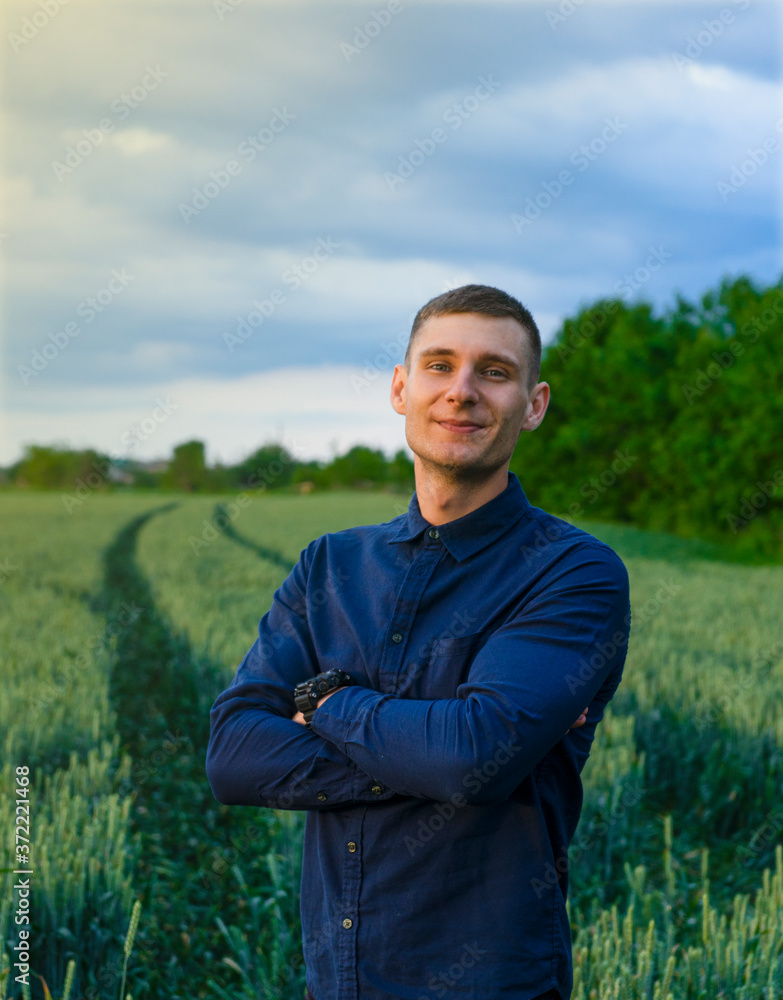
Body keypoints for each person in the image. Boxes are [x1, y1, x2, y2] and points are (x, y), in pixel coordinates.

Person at [206, 283, 631, 1000]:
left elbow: (469, 760)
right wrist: (435, 754)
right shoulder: (328, 565)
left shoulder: (571, 571)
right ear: (401, 388)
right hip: (335, 981)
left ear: (533, 405)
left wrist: (329, 703)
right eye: (439, 365)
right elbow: (233, 757)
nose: (461, 391)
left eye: (493, 372)